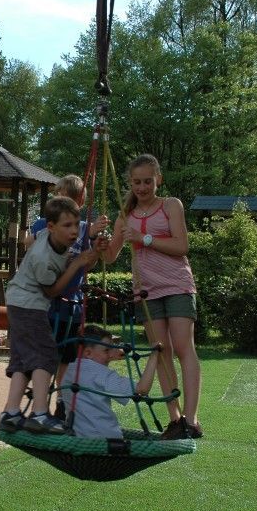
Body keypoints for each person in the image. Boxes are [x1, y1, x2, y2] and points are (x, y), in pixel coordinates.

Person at [104, 154, 203, 439]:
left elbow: (182, 245)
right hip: (146, 291)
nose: (143, 187)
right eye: (137, 182)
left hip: (177, 285)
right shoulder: (125, 215)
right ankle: (175, 418)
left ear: (158, 179)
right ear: (130, 182)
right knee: (161, 353)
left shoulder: (170, 205)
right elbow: (111, 256)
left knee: (185, 349)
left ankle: (192, 418)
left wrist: (144, 238)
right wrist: (99, 243)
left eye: (148, 181)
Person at [0, 196, 107, 435]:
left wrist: (93, 253)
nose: (74, 231)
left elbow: (78, 264)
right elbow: (54, 290)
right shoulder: (41, 258)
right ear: (51, 227)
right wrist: (78, 262)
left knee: (23, 360)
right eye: (67, 226)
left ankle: (11, 414)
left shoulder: (52, 238)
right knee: (45, 354)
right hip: (28, 305)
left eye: (76, 225)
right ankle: (39, 414)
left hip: (21, 302)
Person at [23, 175, 110, 417]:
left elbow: (87, 266)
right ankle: (40, 404)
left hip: (70, 305)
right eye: (56, 197)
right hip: (47, 302)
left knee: (66, 357)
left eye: (64, 197)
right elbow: (32, 246)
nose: (58, 202)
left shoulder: (83, 230)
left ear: (78, 203)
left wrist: (94, 246)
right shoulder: (44, 224)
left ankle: (61, 402)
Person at [60, 325, 135, 439]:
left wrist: (111, 352)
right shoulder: (102, 374)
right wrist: (155, 357)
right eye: (107, 350)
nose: (110, 354)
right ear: (88, 353)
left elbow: (96, 359)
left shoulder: (69, 372)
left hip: (77, 435)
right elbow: (141, 388)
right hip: (105, 438)